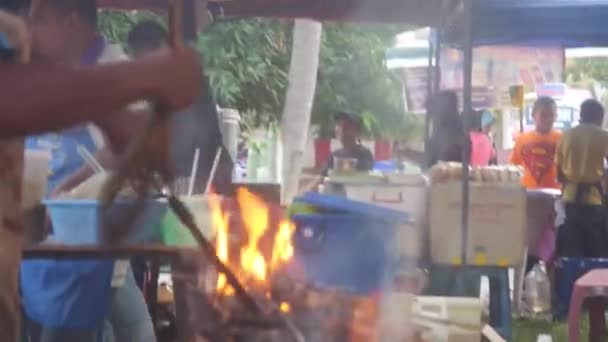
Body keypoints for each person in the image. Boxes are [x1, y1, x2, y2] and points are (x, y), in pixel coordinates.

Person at [0, 3, 201, 342]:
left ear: (73, 22)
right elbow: (12, 95)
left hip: (64, 247)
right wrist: (146, 76)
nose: (33, 27)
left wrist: (112, 117)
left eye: (41, 19)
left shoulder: (21, 41)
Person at [556, 99, 608, 257]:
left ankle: (573, 280)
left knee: (572, 250)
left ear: (581, 115)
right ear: (600, 117)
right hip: (595, 200)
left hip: (569, 199)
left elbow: (559, 174)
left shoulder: (566, 135)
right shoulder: (604, 136)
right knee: (596, 249)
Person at [511, 96, 562, 189]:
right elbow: (514, 167)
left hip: (555, 193)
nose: (547, 119)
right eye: (543, 115)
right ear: (533, 115)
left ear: (556, 116)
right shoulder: (522, 139)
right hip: (527, 192)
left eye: (551, 115)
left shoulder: (562, 139)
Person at [321, 111, 374, 177]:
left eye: (346, 125)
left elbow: (366, 168)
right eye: (339, 124)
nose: (341, 129)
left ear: (357, 131)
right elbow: (324, 173)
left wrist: (337, 165)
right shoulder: (335, 154)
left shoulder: (364, 153)